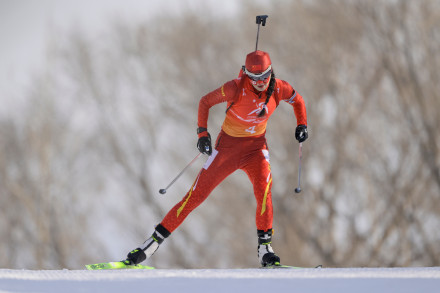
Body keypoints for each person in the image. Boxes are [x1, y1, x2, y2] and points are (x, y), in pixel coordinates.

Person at [123, 50, 308, 267]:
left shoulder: (279, 88)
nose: (260, 82)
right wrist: (202, 134)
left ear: (271, 72)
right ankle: (151, 244)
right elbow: (205, 102)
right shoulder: (235, 87)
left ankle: (265, 249)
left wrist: (302, 124)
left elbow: (298, 101)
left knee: (264, 189)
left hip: (256, 149)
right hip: (227, 149)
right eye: (254, 78)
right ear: (246, 74)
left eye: (265, 77)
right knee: (195, 196)